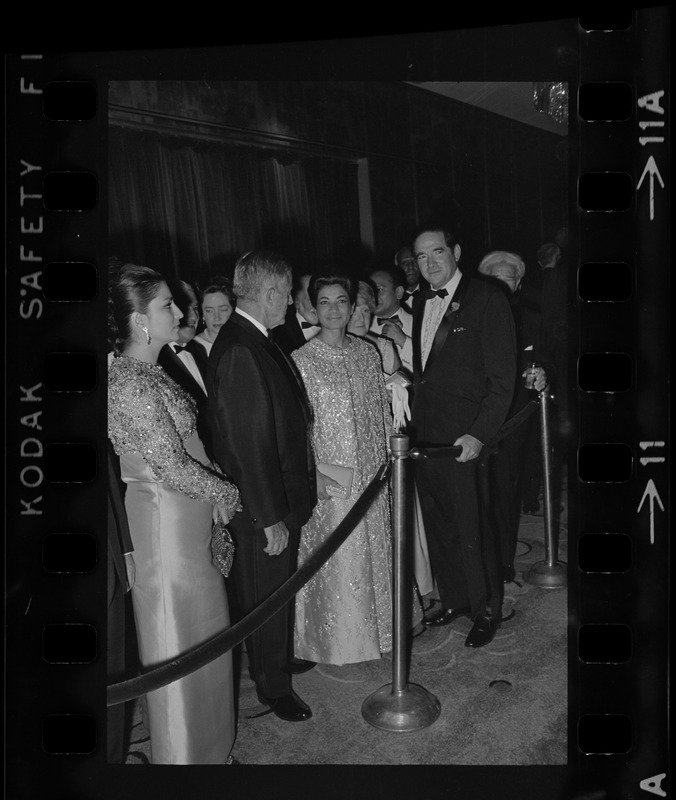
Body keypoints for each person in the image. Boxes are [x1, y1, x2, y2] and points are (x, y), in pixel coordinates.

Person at [107, 263, 241, 764]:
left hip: (188, 524)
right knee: (179, 655)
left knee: (205, 646)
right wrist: (227, 493)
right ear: (140, 319)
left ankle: (211, 753)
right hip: (166, 533)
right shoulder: (129, 382)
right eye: (167, 305)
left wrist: (216, 495)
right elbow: (169, 466)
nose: (181, 312)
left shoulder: (148, 371)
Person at [206, 250, 317, 723]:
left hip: (279, 495)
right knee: (265, 598)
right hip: (261, 507)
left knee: (277, 593)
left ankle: (277, 659)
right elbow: (246, 444)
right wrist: (269, 514)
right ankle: (272, 686)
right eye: (288, 292)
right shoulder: (238, 348)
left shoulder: (254, 337)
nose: (292, 301)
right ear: (270, 293)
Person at [410, 225, 517, 648]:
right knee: (440, 523)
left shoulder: (487, 299)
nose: (430, 263)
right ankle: (455, 598)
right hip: (426, 436)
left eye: (437, 252)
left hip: (465, 439)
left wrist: (478, 434)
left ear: (456, 251)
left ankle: (487, 607)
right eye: (421, 257)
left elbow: (502, 381)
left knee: (473, 525)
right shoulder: (420, 301)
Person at [291, 272, 394, 665]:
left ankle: (380, 631)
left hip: (373, 472)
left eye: (341, 301)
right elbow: (299, 428)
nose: (333, 310)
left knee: (375, 548)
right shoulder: (301, 360)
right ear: (314, 308)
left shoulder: (367, 352)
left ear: (353, 306)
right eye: (325, 302)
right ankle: (333, 642)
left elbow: (381, 414)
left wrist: (389, 460)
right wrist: (312, 474)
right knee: (338, 554)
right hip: (330, 474)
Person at [477, 251, 549, 583]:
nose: (500, 284)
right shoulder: (470, 315)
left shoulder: (533, 318)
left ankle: (503, 561)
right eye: (493, 278)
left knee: (505, 490)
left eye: (507, 278)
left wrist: (544, 376)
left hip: (514, 419)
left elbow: (550, 363)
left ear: (518, 283)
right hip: (474, 415)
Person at [180, 279, 235, 393]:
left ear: (233, 311)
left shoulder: (242, 342)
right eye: (209, 311)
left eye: (223, 310)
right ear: (202, 315)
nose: (217, 317)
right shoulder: (193, 348)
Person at [369, 266, 414, 375]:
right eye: (370, 291)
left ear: (398, 292)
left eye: (379, 289)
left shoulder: (419, 325)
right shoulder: (362, 327)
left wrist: (404, 341)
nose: (373, 296)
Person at [272, 272, 321, 355]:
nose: (318, 306)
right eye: (311, 299)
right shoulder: (278, 335)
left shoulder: (337, 327)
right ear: (297, 301)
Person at [395, 245, 427, 310]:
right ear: (397, 268)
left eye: (415, 261)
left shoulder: (432, 293)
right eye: (405, 263)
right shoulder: (391, 298)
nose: (411, 267)